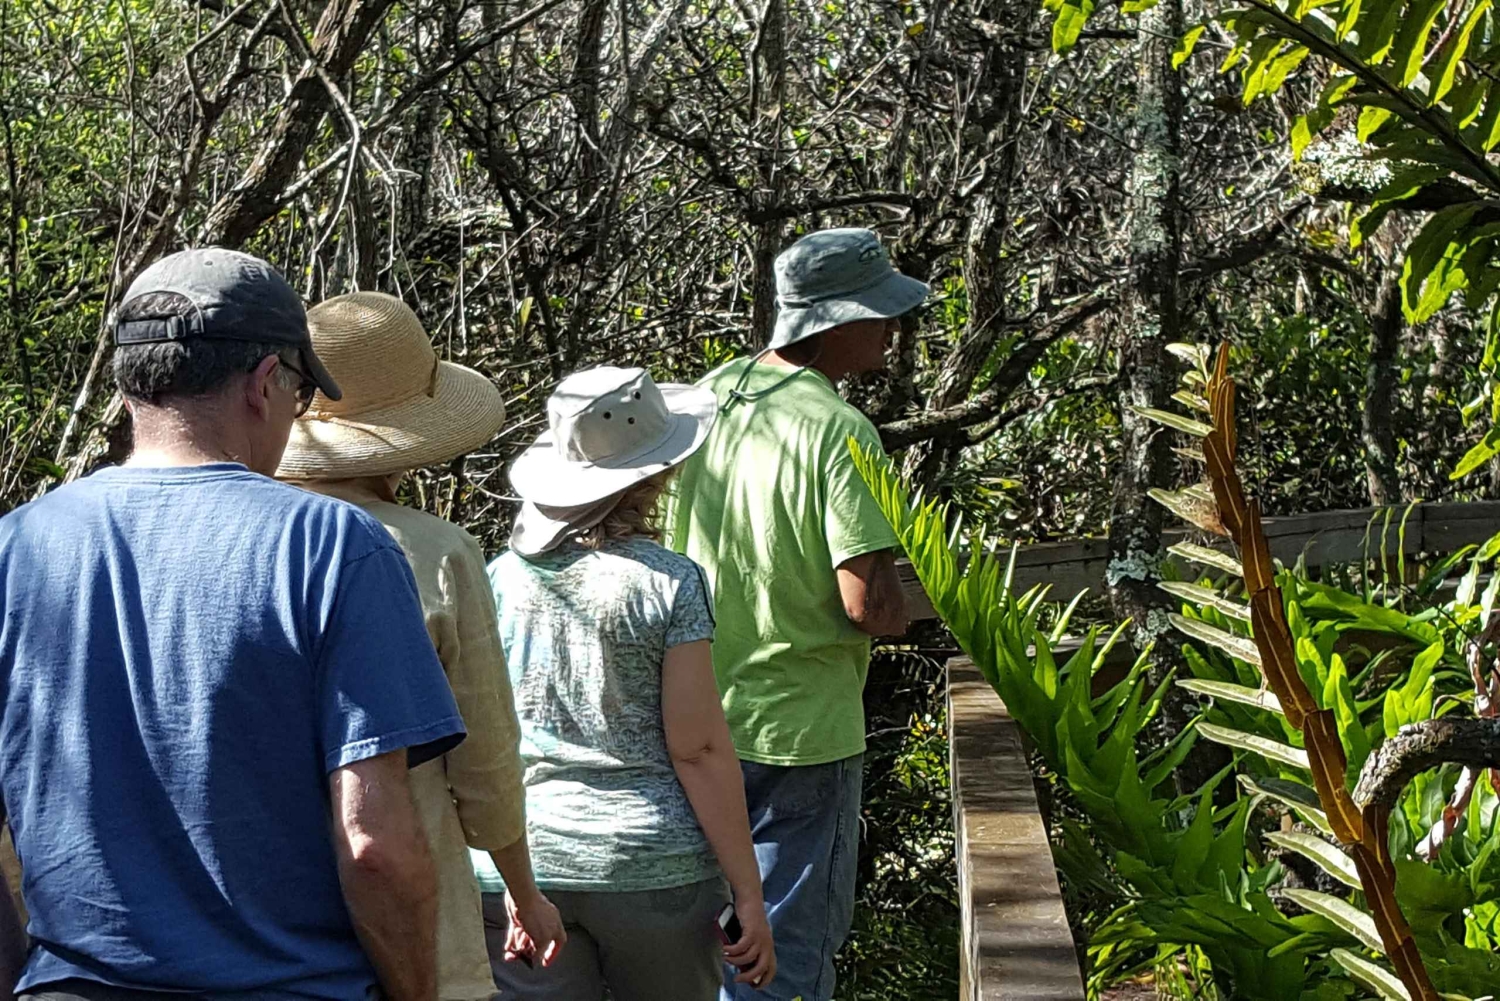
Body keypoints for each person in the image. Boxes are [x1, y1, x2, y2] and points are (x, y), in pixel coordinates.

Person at [0, 249, 466, 1001]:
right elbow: (374, 843)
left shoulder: (14, 546)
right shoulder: (336, 546)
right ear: (264, 384)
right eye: (302, 392)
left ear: (130, 389)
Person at [276, 292, 566, 999]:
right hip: (413, 877)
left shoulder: (244, 535)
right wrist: (525, 892)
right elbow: (486, 756)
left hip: (267, 897)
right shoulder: (438, 551)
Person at [663, 228, 924, 1001]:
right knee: (785, 959)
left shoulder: (704, 400)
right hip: (800, 732)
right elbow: (864, 600)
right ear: (835, 321)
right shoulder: (839, 430)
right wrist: (905, 608)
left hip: (695, 715)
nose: (890, 327)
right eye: (878, 312)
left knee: (708, 953)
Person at [477, 366, 776, 1001]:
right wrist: (748, 891)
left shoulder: (499, 576)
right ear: (656, 474)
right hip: (655, 870)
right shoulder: (670, 581)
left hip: (524, 865)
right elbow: (695, 748)